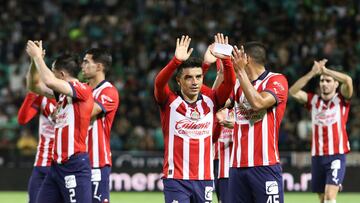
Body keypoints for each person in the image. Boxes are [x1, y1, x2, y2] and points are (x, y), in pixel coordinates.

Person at [154, 34, 236, 203]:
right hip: (175, 179)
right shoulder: (169, 102)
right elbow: (159, 83)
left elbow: (229, 83)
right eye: (189, 77)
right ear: (178, 81)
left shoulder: (211, 101)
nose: (194, 82)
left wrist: (226, 60)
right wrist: (175, 61)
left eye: (198, 77)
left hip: (204, 178)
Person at [25, 40, 94, 203]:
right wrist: (34, 61)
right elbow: (34, 86)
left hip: (75, 165)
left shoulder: (83, 90)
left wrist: (38, 57)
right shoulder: (61, 95)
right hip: (56, 166)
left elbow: (48, 81)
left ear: (62, 75)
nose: (51, 75)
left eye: (53, 71)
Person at [230, 43, 288, 203]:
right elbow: (216, 104)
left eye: (240, 55)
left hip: (265, 165)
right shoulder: (238, 84)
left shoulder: (277, 80)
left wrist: (240, 71)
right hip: (237, 166)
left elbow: (259, 103)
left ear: (246, 59)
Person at [289, 59, 352, 203]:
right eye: (322, 81)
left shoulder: (342, 99)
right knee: (323, 198)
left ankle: (335, 185)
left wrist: (325, 71)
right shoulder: (313, 101)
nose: (324, 83)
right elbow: (292, 92)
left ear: (336, 84)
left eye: (328, 81)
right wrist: (313, 73)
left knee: (330, 197)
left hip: (336, 154)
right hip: (317, 156)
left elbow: (348, 80)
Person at [81, 48, 120, 203]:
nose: (82, 65)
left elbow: (86, 112)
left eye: (86, 62)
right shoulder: (81, 89)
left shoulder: (109, 91)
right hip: (76, 162)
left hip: (96, 161)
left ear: (99, 67)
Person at [18, 91, 56, 203]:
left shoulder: (74, 96)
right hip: (42, 162)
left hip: (63, 164)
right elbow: (22, 119)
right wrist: (32, 92)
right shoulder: (43, 98)